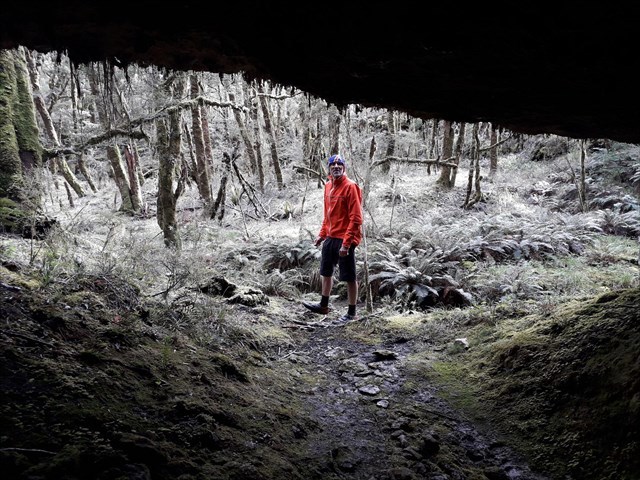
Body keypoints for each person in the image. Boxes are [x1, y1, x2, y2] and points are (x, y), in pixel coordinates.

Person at [302, 154, 363, 324]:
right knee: (325, 272)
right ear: (328, 168)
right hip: (330, 236)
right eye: (333, 164)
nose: (336, 166)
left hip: (345, 238)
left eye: (339, 164)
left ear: (344, 167)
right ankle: (323, 305)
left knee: (349, 276)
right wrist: (322, 235)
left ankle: (352, 313)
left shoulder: (351, 187)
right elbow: (327, 214)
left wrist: (347, 243)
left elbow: (356, 218)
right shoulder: (328, 186)